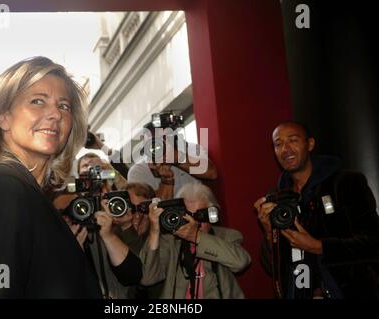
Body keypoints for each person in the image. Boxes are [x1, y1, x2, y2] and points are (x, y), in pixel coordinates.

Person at [0, 56, 101, 298]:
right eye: (38, 101)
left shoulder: (26, 192)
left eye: (64, 106)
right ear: (3, 117)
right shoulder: (3, 188)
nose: (55, 114)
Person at [254, 121, 379, 299]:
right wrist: (268, 232)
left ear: (310, 144)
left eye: (293, 140)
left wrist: (319, 247)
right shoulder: (277, 199)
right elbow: (273, 270)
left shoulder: (346, 183)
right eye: (278, 144)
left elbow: (373, 244)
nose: (285, 149)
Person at [140, 183, 251, 298]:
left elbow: (241, 262)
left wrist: (197, 236)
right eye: (187, 216)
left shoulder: (227, 236)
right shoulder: (171, 241)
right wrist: (154, 231)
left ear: (211, 214)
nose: (194, 222)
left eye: (200, 216)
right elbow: (148, 278)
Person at [53, 154, 142, 299]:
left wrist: (110, 233)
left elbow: (133, 275)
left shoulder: (118, 208)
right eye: (85, 166)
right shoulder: (70, 210)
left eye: (95, 165)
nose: (90, 168)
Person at [127, 116, 217, 200]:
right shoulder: (139, 171)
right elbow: (148, 210)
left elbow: (211, 173)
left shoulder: (189, 150)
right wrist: (166, 180)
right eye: (151, 143)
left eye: (162, 140)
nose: (157, 146)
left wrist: (177, 157)